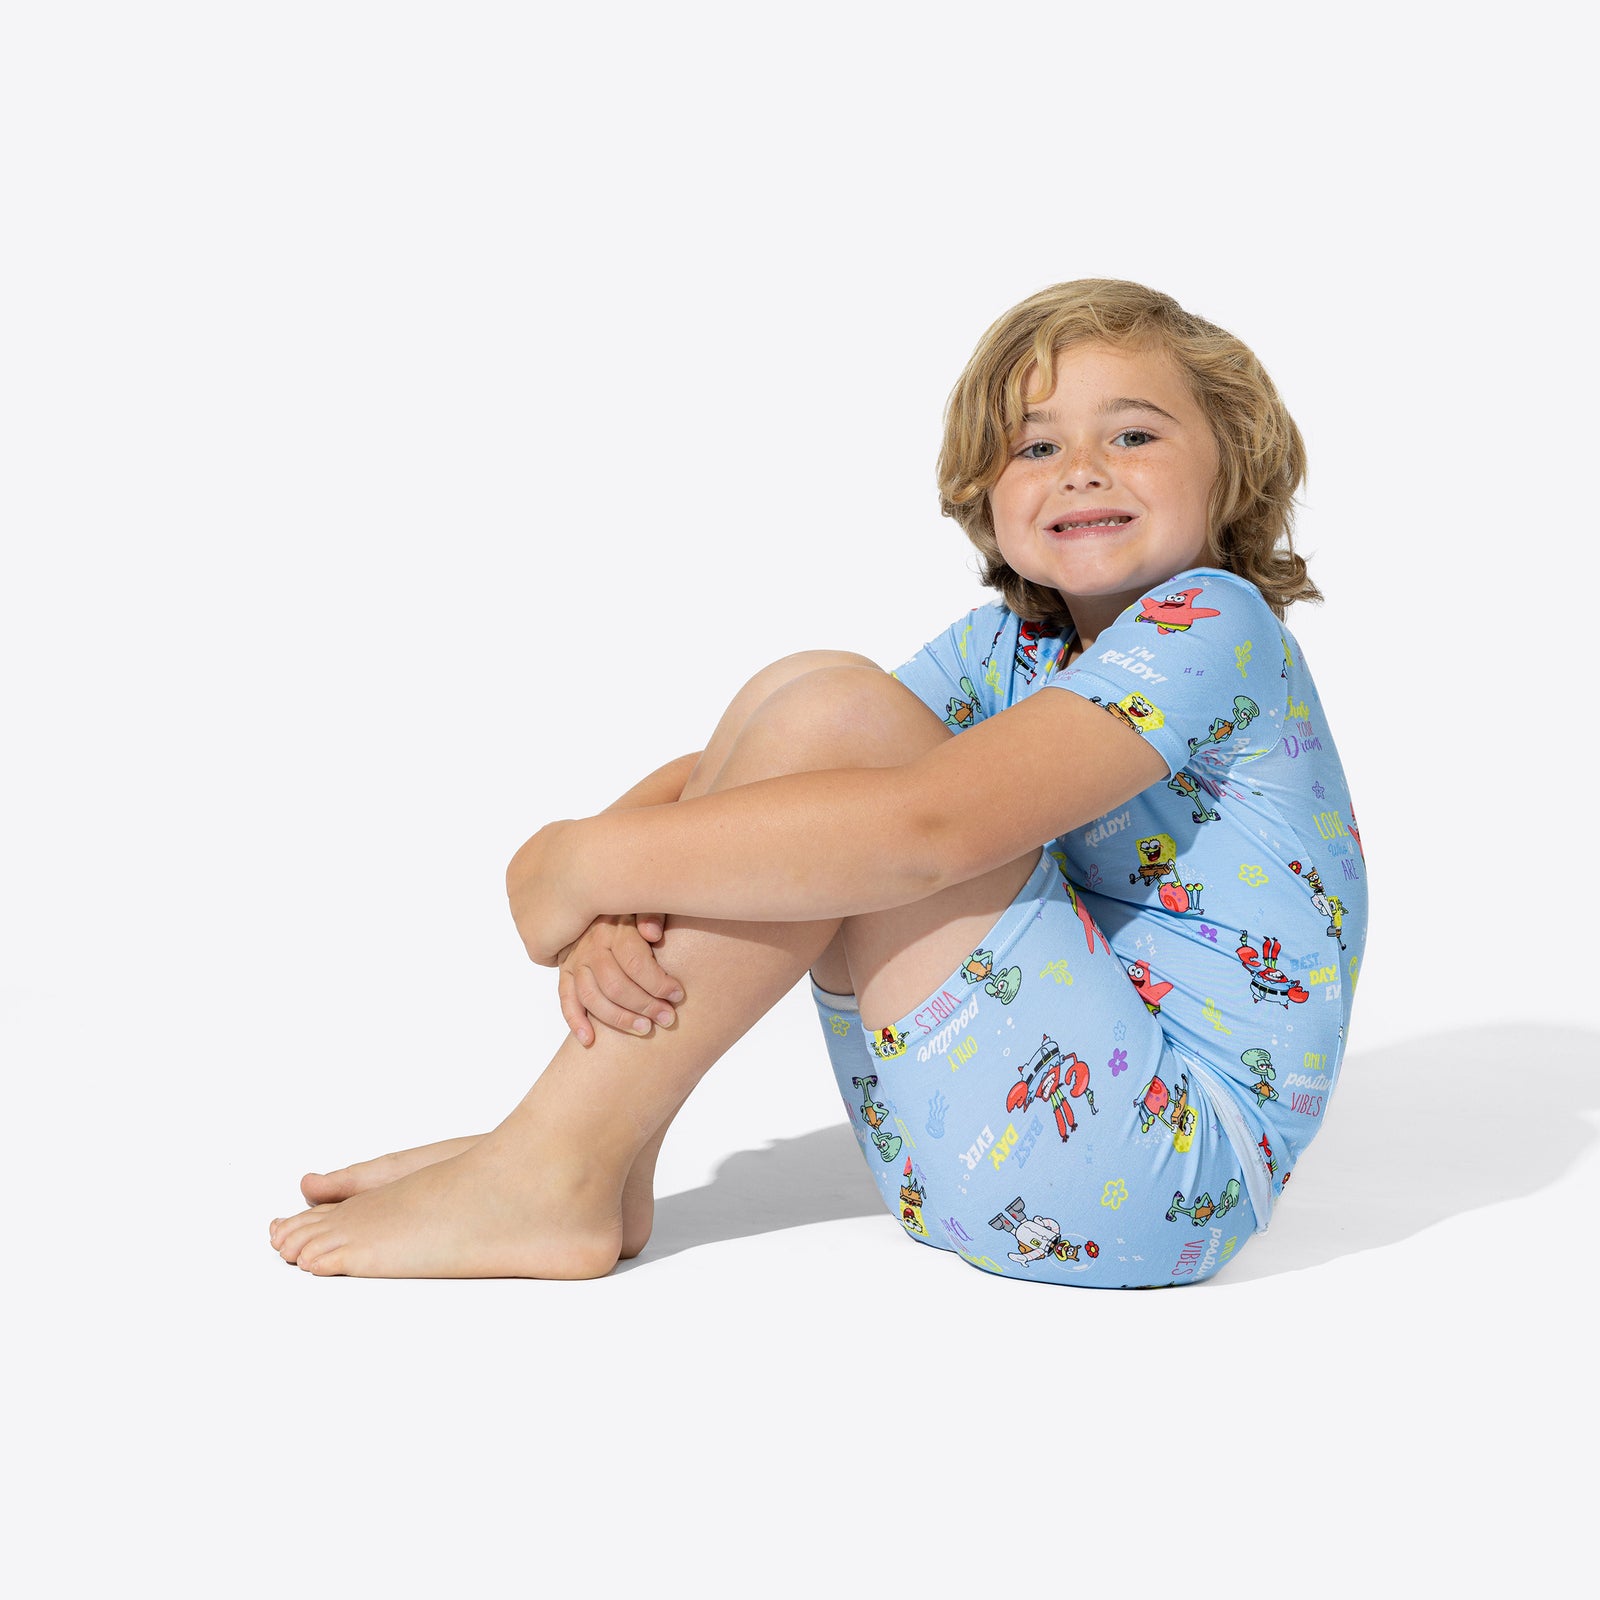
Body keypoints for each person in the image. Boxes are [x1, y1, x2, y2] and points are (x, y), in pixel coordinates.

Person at [269, 279, 1367, 1285]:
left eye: (1132, 433)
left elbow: (929, 829)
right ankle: (593, 1148)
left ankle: (551, 1164)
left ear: (1232, 461)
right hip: (997, 1152)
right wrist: (600, 886)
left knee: (837, 719)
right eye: (1036, 446)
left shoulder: (1214, 625)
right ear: (985, 494)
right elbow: (765, 765)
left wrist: (586, 863)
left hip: (1159, 1170)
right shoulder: (1010, 649)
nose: (1081, 466)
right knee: (804, 693)